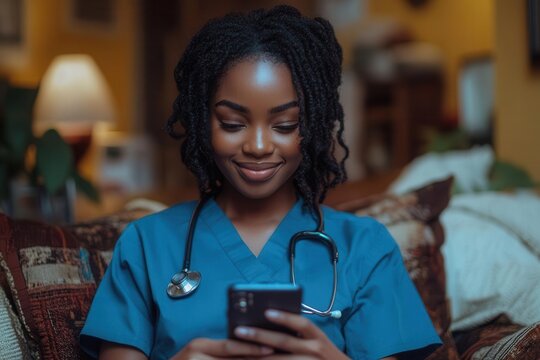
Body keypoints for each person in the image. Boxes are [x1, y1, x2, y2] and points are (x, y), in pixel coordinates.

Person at [80, 6, 441, 360]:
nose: (257, 147)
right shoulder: (146, 245)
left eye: (284, 126)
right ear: (204, 122)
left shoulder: (365, 247)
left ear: (313, 125)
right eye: (233, 124)